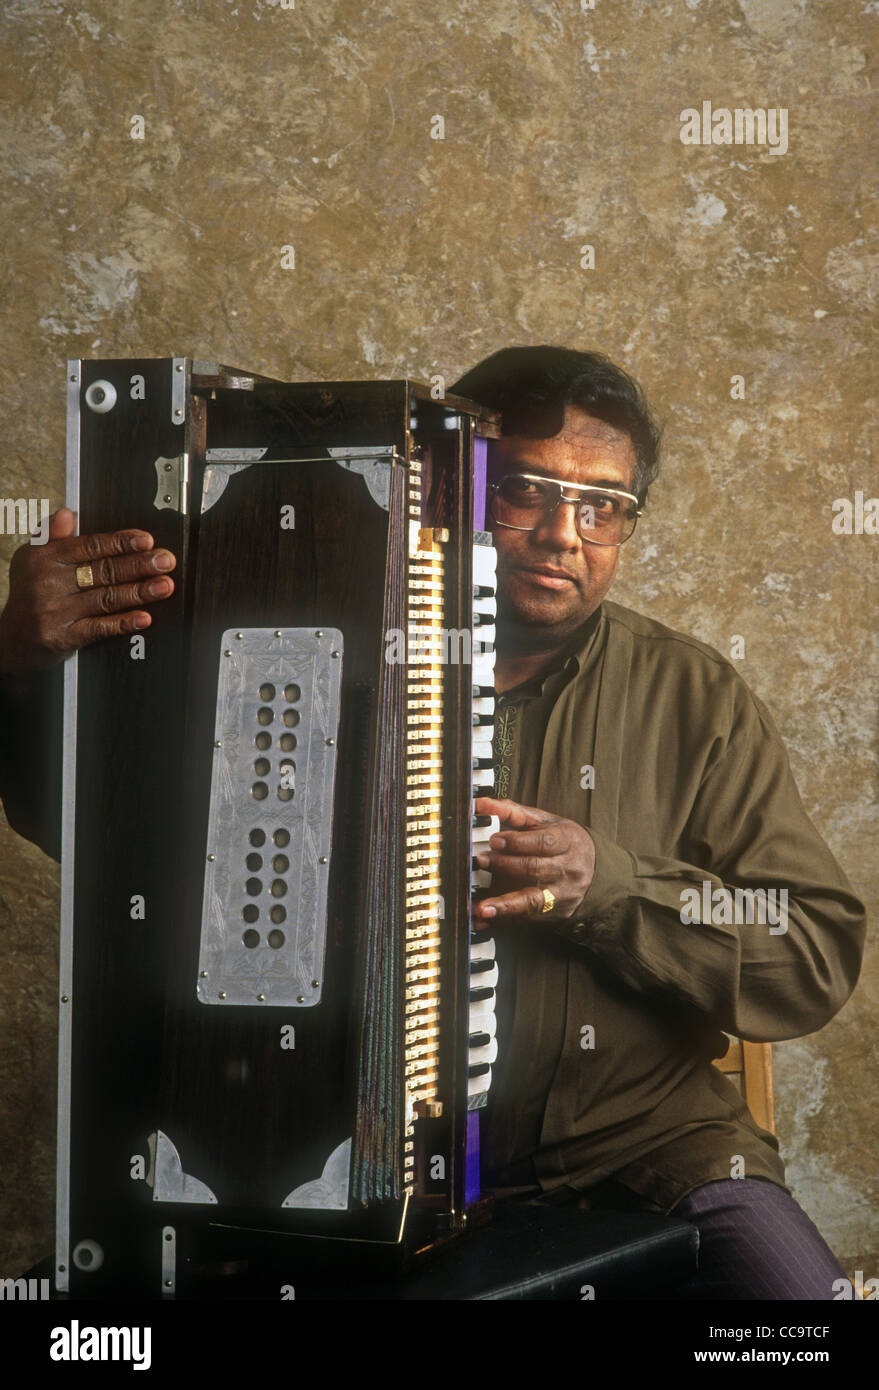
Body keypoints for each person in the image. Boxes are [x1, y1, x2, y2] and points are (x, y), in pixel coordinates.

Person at [0, 345, 866, 1298]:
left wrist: (610, 887)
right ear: (446, 489)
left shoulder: (692, 694)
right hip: (337, 1163)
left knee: (798, 1328)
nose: (562, 534)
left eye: (602, 506)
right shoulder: (292, 639)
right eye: (527, 491)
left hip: (647, 1156)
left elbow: (812, 951)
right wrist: (23, 663)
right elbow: (85, 833)